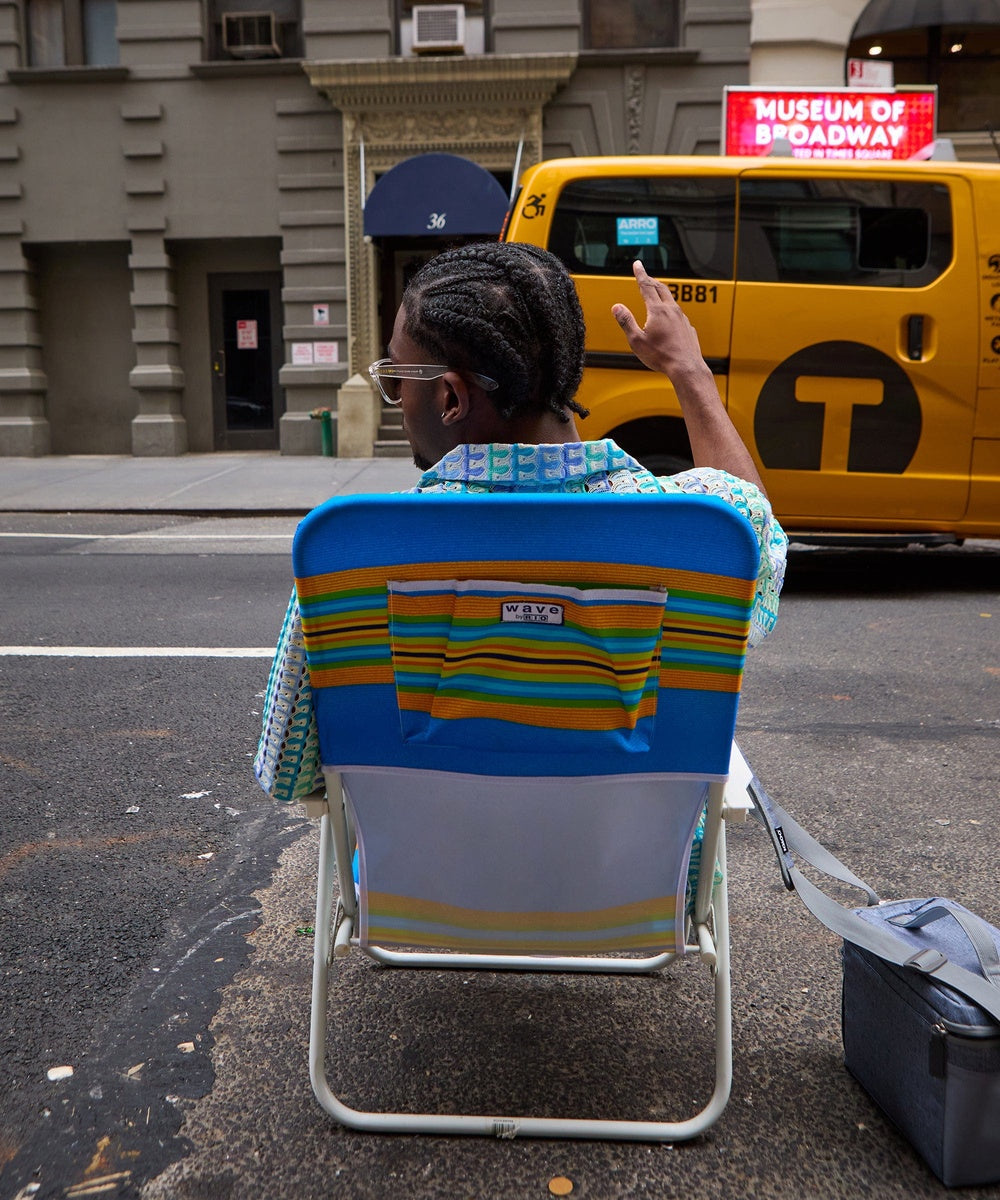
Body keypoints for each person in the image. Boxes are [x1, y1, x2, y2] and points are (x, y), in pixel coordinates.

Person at [254, 241, 787, 804]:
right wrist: (689, 371)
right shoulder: (702, 532)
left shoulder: (351, 550)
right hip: (639, 888)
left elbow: (287, 773)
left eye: (398, 375)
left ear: (451, 397)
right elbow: (754, 517)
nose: (396, 396)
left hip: (418, 886)